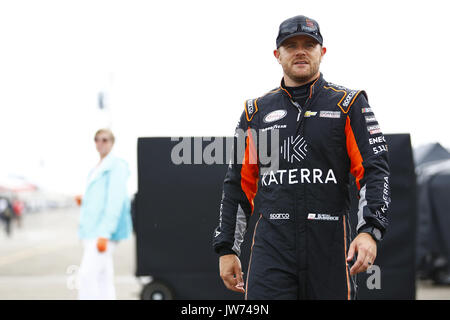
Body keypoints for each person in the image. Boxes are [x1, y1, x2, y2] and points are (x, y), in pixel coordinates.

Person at [212, 15, 390, 300]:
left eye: (309, 44)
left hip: (330, 247)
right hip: (272, 248)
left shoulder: (349, 104)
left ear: (322, 52)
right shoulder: (255, 112)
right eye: (290, 45)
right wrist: (227, 249)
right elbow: (238, 185)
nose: (300, 51)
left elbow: (373, 171)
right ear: (277, 54)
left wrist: (369, 231)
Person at [77, 128, 132, 300]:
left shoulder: (116, 166)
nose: (100, 143)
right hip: (92, 230)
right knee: (103, 278)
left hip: (101, 232)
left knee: (87, 276)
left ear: (112, 143)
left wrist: (105, 233)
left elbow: (115, 201)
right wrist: (84, 200)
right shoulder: (96, 168)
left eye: (105, 140)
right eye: (97, 139)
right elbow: (99, 198)